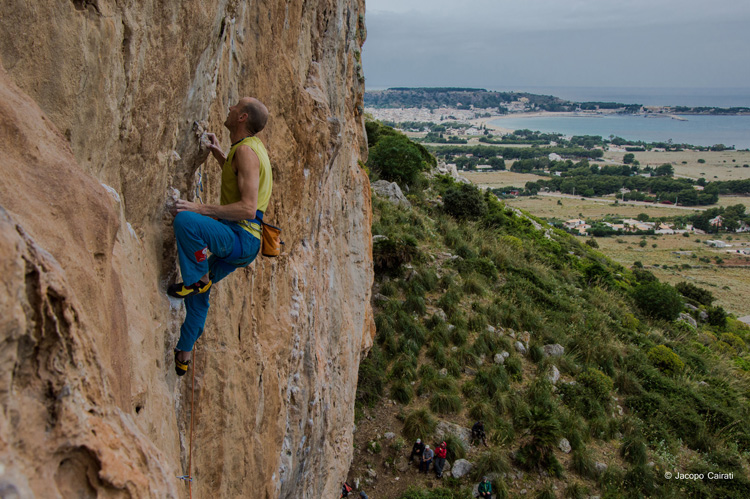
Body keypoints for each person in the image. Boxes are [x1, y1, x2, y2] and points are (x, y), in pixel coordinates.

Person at [169, 97, 272, 376]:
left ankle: (200, 276)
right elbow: (239, 176)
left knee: (186, 220)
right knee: (199, 295)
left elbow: (248, 209)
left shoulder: (247, 153)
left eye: (235, 106)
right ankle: (184, 353)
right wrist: (217, 153)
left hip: (240, 237)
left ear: (242, 117)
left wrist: (198, 208)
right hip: (246, 242)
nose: (229, 108)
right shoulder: (249, 149)